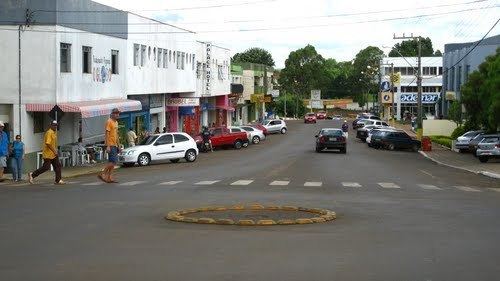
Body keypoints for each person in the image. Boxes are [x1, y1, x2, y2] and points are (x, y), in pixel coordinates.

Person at [29, 120, 65, 185]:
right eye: (54, 125)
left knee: (58, 166)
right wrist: (54, 151)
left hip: (53, 154)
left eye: (56, 125)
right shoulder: (49, 132)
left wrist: (55, 151)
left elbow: (53, 143)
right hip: (48, 154)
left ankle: (58, 180)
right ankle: (32, 174)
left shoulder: (54, 133)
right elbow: (48, 143)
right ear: (50, 125)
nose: (55, 126)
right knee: (46, 167)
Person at [99, 108, 121, 183]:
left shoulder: (116, 122)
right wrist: (108, 146)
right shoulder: (109, 122)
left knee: (112, 162)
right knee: (113, 161)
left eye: (118, 113)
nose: (117, 115)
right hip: (110, 144)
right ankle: (103, 173)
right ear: (112, 114)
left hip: (114, 144)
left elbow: (117, 134)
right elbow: (107, 134)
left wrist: (119, 145)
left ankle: (109, 178)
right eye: (116, 113)